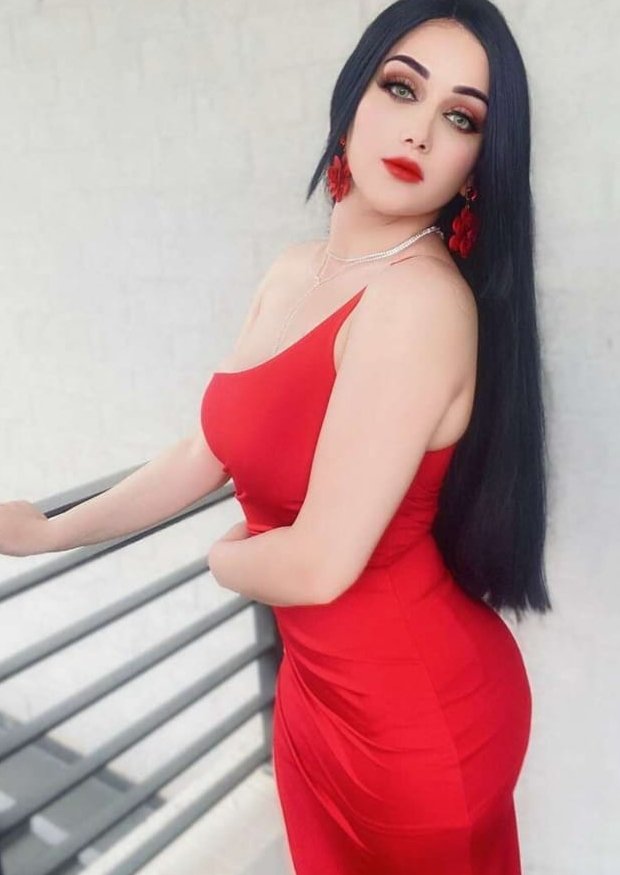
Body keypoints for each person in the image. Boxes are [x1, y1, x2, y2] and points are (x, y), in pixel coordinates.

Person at [0, 0, 552, 872]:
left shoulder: (418, 303)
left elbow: (317, 564)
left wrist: (225, 556)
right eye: (400, 88)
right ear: (351, 99)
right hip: (318, 691)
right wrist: (46, 530)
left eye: (460, 118)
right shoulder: (296, 271)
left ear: (478, 165)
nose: (419, 130)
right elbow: (205, 452)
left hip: (409, 726)